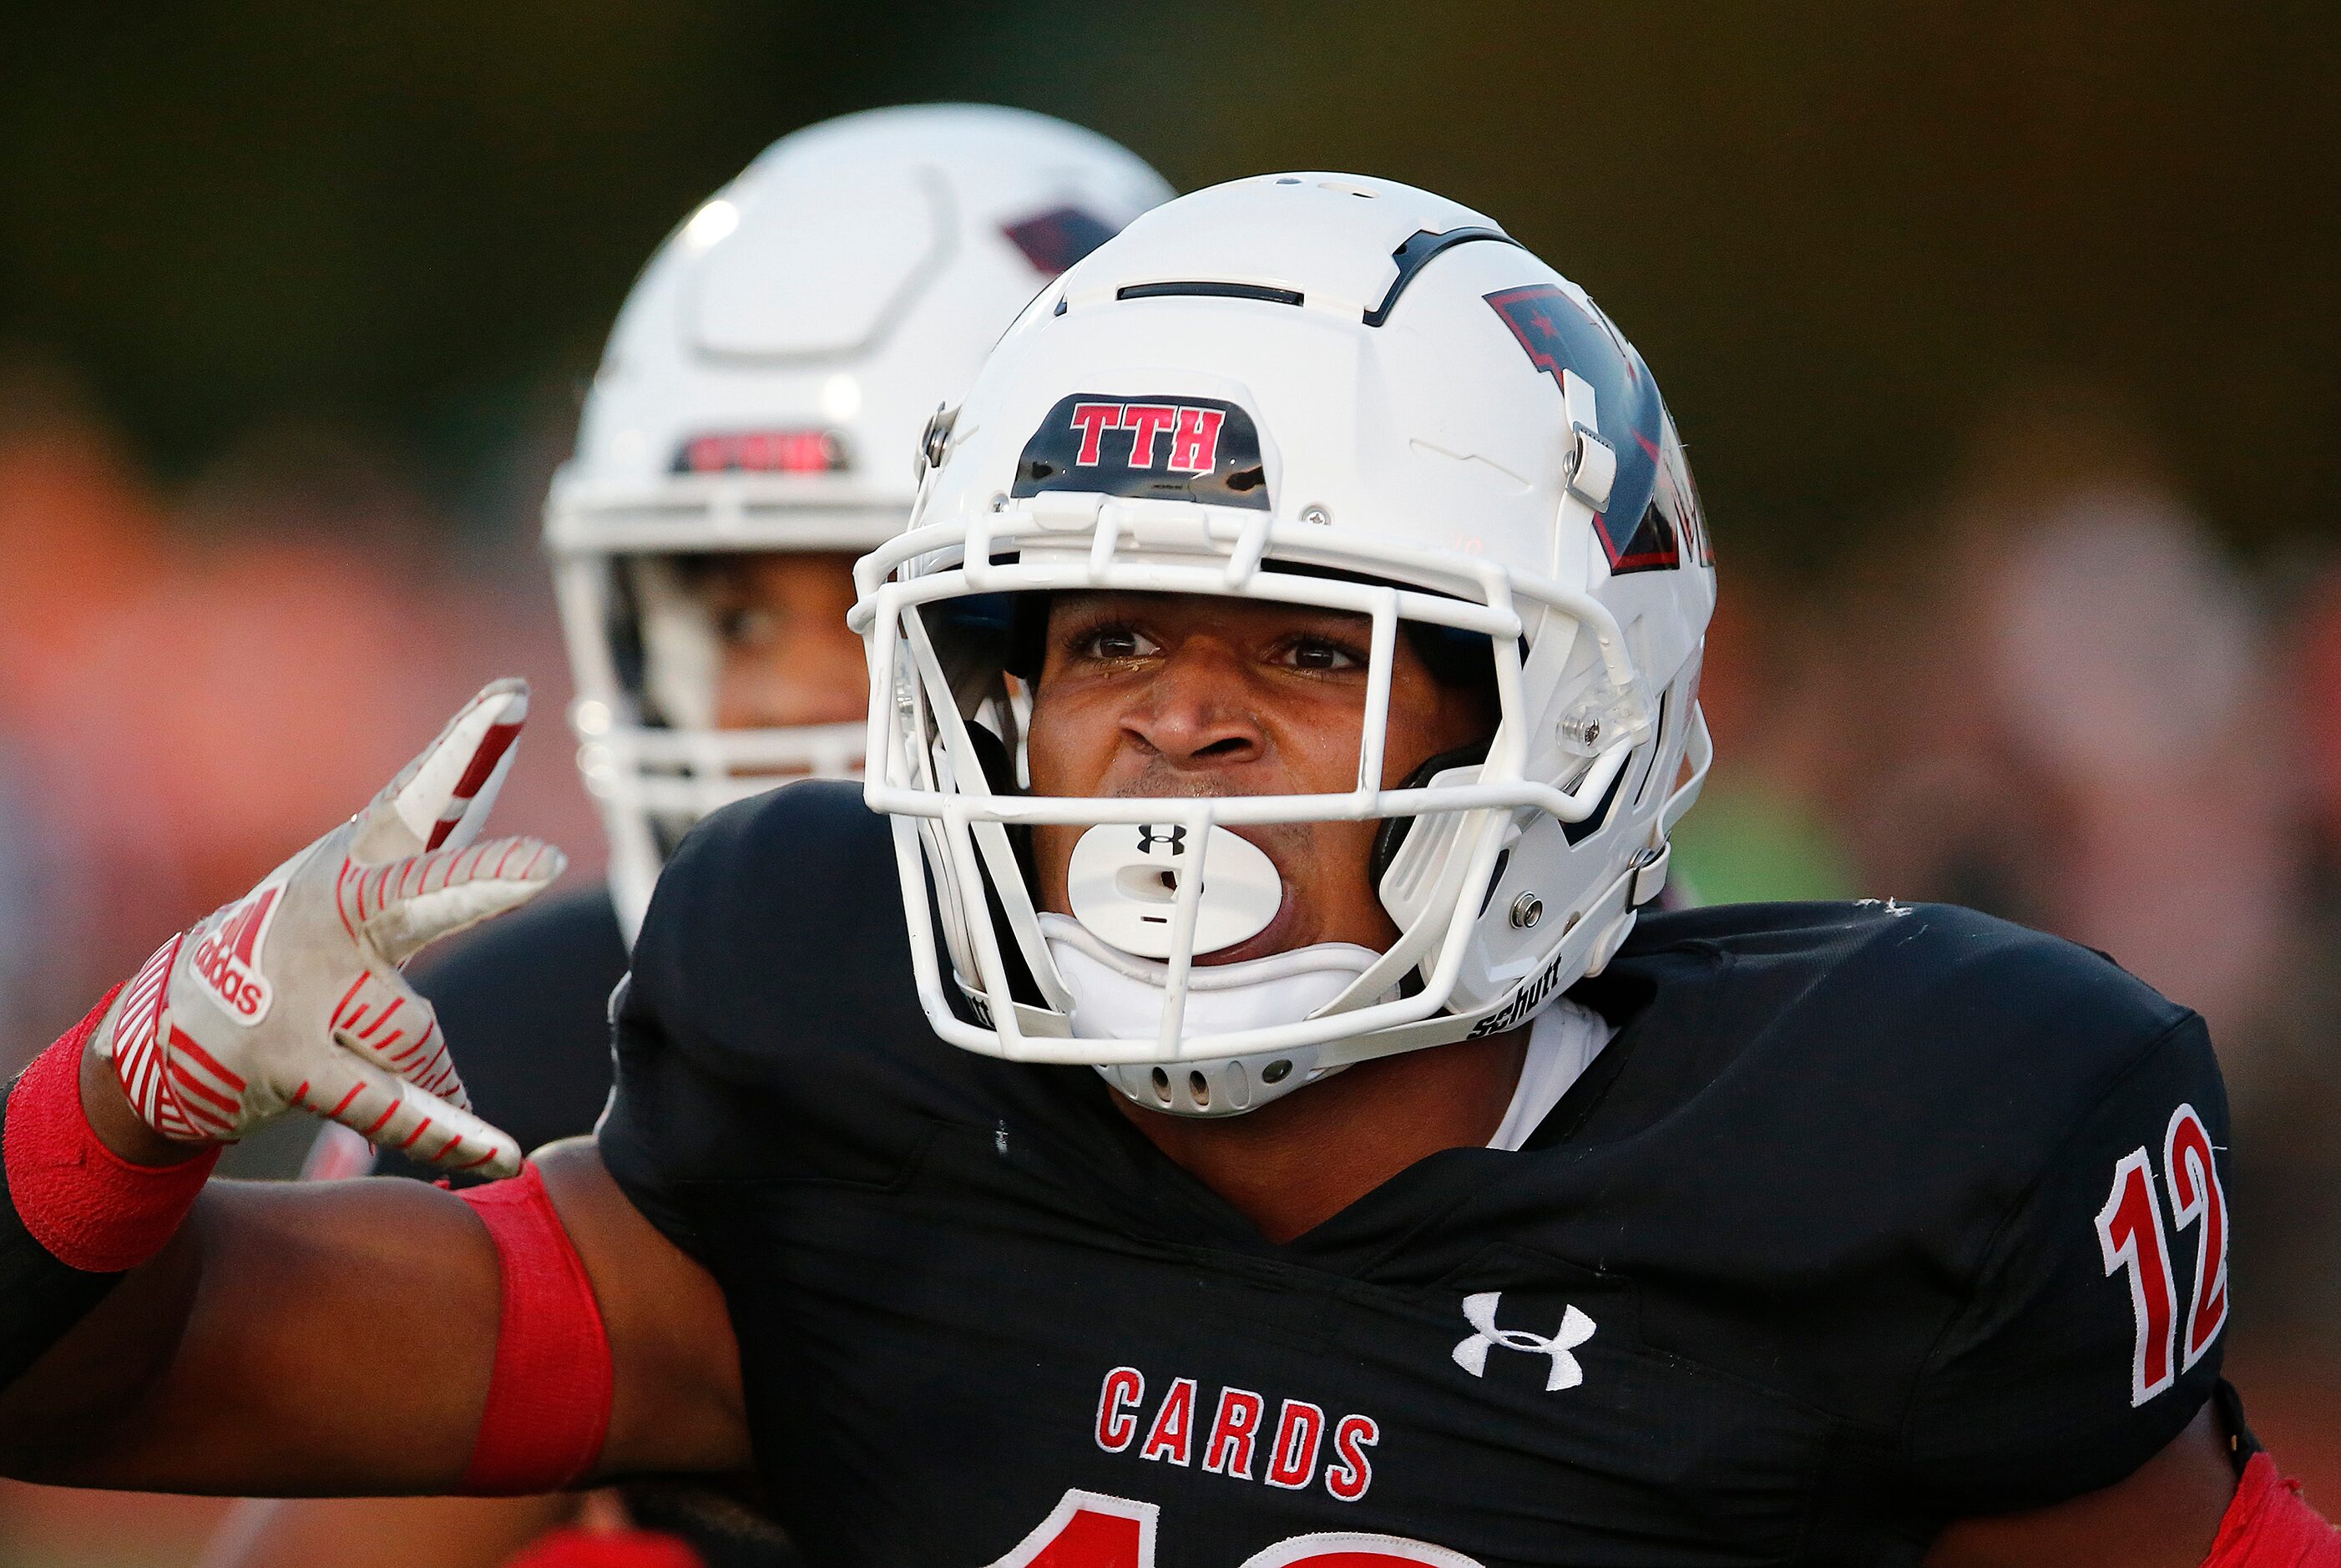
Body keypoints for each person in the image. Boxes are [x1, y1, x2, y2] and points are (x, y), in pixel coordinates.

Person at [1, 172, 2332, 1568]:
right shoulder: (841, 1091)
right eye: (1100, 630)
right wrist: (111, 1109)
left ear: (1564, 708)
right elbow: (115, 1388)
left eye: (1306, 647)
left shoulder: (1899, 1156)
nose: (1169, 719)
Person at [215, 104, 1175, 1568]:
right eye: (734, 614)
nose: (789, 690)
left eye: (875, 602)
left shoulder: (1288, 1067)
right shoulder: (537, 1038)